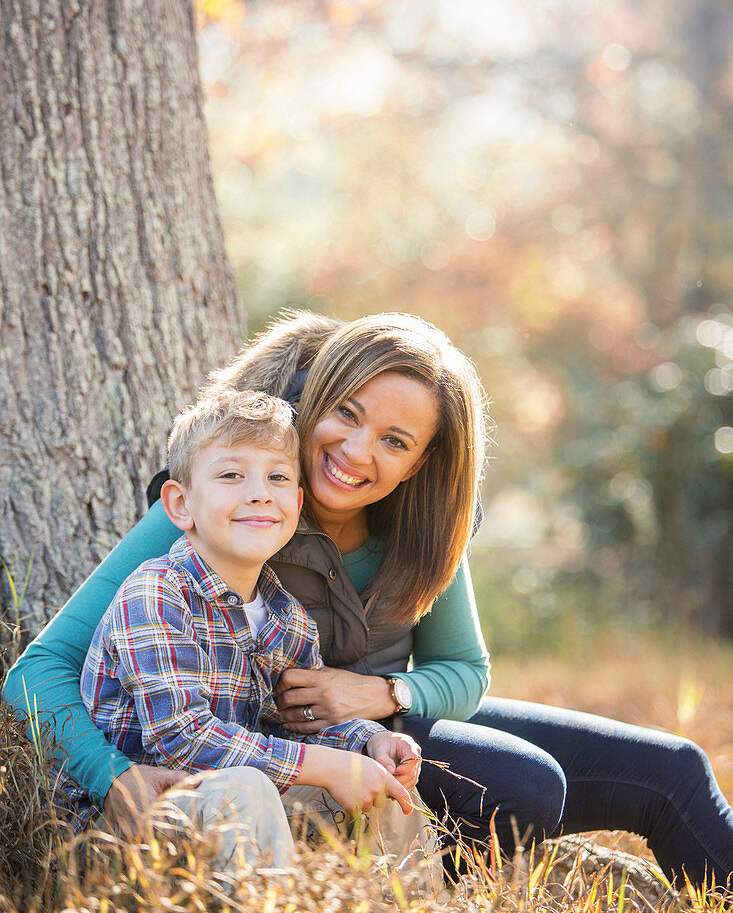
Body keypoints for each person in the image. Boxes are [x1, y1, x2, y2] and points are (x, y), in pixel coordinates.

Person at [5, 311, 733, 890]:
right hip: (266, 757)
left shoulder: (420, 524)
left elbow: (462, 671)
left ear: (422, 462)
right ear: (314, 399)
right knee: (524, 787)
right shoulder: (238, 502)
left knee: (672, 769)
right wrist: (113, 777)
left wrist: (374, 695)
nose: (357, 451)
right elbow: (40, 671)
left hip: (379, 724)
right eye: (345, 414)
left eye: (393, 440)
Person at [54, 386, 430, 871]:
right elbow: (183, 740)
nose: (258, 492)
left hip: (242, 819)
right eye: (231, 475)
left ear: (295, 504)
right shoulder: (156, 593)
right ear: (180, 505)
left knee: (383, 787)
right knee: (246, 788)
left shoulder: (287, 618)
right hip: (132, 825)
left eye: (276, 477)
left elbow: (306, 722)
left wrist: (365, 742)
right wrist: (327, 766)